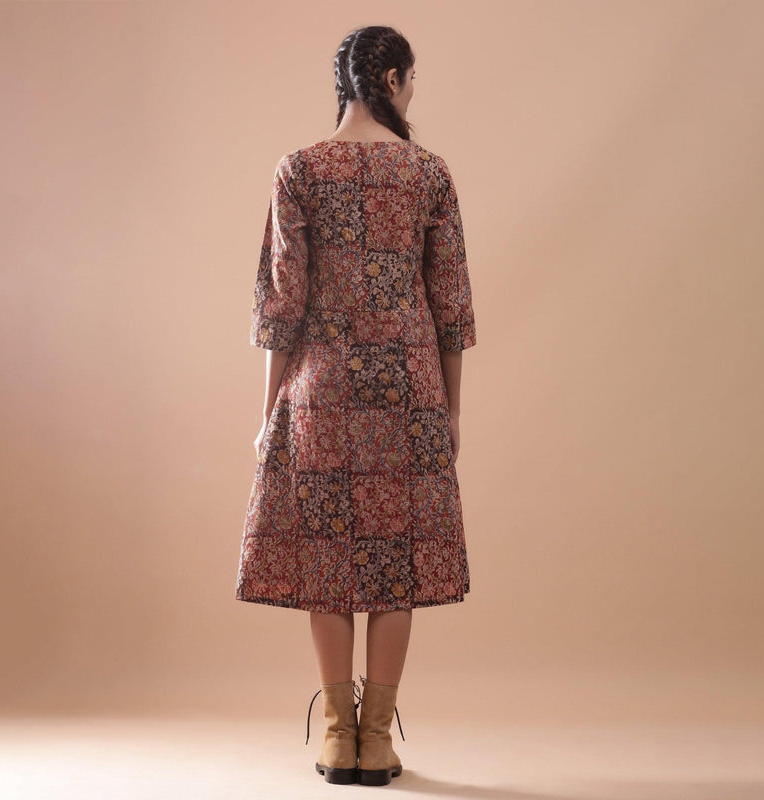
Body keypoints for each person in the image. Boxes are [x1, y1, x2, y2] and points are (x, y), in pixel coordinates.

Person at [235, 25, 477, 786]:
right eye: (412, 82)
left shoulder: (299, 170)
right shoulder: (428, 174)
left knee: (329, 556)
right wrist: (450, 409)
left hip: (323, 387)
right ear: (395, 78)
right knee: (395, 559)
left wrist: (271, 406)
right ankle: (378, 740)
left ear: (344, 83)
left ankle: (338, 736)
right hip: (409, 389)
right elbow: (451, 306)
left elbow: (283, 303)